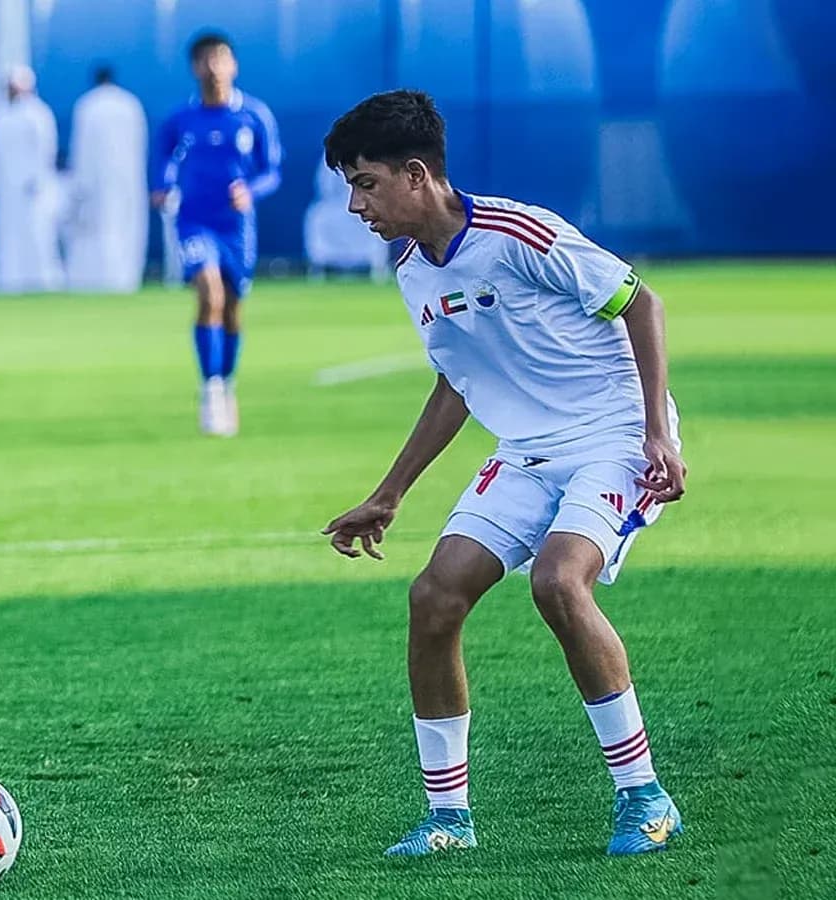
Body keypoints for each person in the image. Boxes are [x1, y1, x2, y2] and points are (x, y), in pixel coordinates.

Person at [319, 90, 687, 858]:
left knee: (558, 581)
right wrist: (390, 493)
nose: (356, 204)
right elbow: (458, 382)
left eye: (365, 183)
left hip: (613, 438)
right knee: (434, 597)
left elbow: (640, 303)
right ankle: (448, 819)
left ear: (416, 176)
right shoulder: (414, 271)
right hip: (525, 451)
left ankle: (645, 797)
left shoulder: (518, 232)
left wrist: (657, 433)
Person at [151, 31, 282, 437]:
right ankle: (210, 389)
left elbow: (271, 170)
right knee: (209, 291)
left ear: (233, 65)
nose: (213, 68)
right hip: (194, 220)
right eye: (205, 60)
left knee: (233, 307)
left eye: (220, 59)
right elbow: (162, 160)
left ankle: (226, 382)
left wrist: (251, 190)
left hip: (237, 228)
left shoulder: (254, 115)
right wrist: (162, 185)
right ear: (194, 67)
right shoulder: (180, 119)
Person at [0, 65, 63, 293]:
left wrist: (38, 179)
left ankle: (44, 281)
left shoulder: (39, 114)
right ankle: (9, 280)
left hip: (33, 188)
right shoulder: (1, 115)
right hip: (6, 189)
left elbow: (46, 148)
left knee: (37, 233)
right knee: (4, 233)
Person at [65, 65, 148, 293]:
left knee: (99, 230)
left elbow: (80, 148)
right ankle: (123, 279)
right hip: (127, 179)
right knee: (125, 228)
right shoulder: (130, 104)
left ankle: (103, 278)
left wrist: (79, 183)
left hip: (96, 181)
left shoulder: (87, 105)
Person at [303, 150, 388, 280]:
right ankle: (321, 267)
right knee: (317, 216)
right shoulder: (331, 156)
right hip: (333, 205)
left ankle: (375, 268)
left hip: (365, 203)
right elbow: (325, 185)